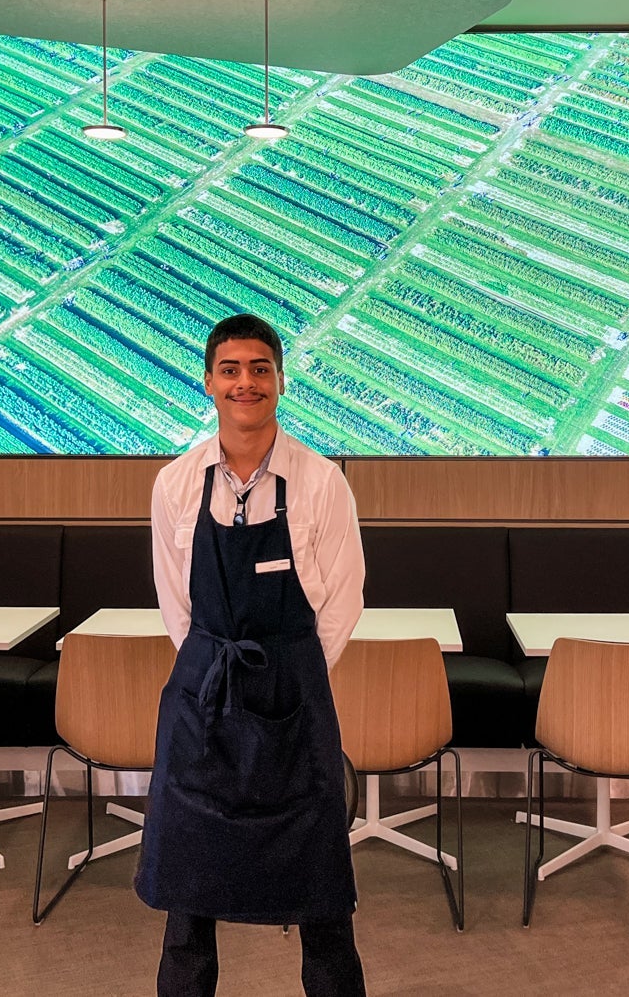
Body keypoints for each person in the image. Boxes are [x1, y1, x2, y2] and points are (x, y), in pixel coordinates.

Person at [136, 314, 368, 997]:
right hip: (202, 711)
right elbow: (178, 606)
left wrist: (288, 676)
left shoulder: (322, 483)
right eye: (231, 369)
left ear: (280, 382)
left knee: (325, 906)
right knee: (188, 907)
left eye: (260, 369)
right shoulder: (176, 485)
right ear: (208, 382)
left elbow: (343, 602)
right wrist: (219, 673)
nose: (246, 382)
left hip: (296, 711)